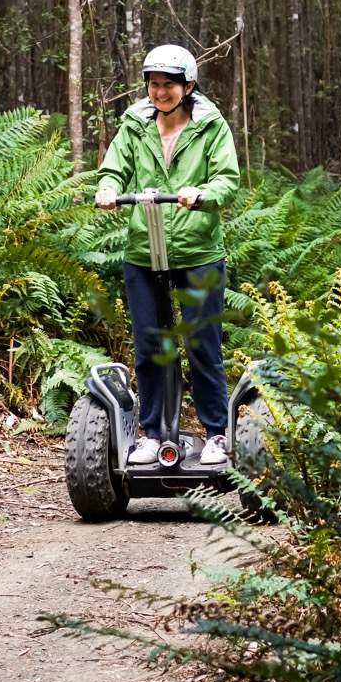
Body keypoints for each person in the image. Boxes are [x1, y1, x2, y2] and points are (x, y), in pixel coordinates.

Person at [95, 44, 240, 466]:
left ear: (188, 86)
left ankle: (216, 432)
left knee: (201, 343)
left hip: (197, 251)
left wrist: (203, 193)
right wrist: (107, 188)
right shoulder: (135, 124)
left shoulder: (210, 126)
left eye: (169, 85)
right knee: (149, 345)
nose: (160, 93)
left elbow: (227, 180)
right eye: (154, 85)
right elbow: (114, 167)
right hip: (144, 250)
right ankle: (153, 434)